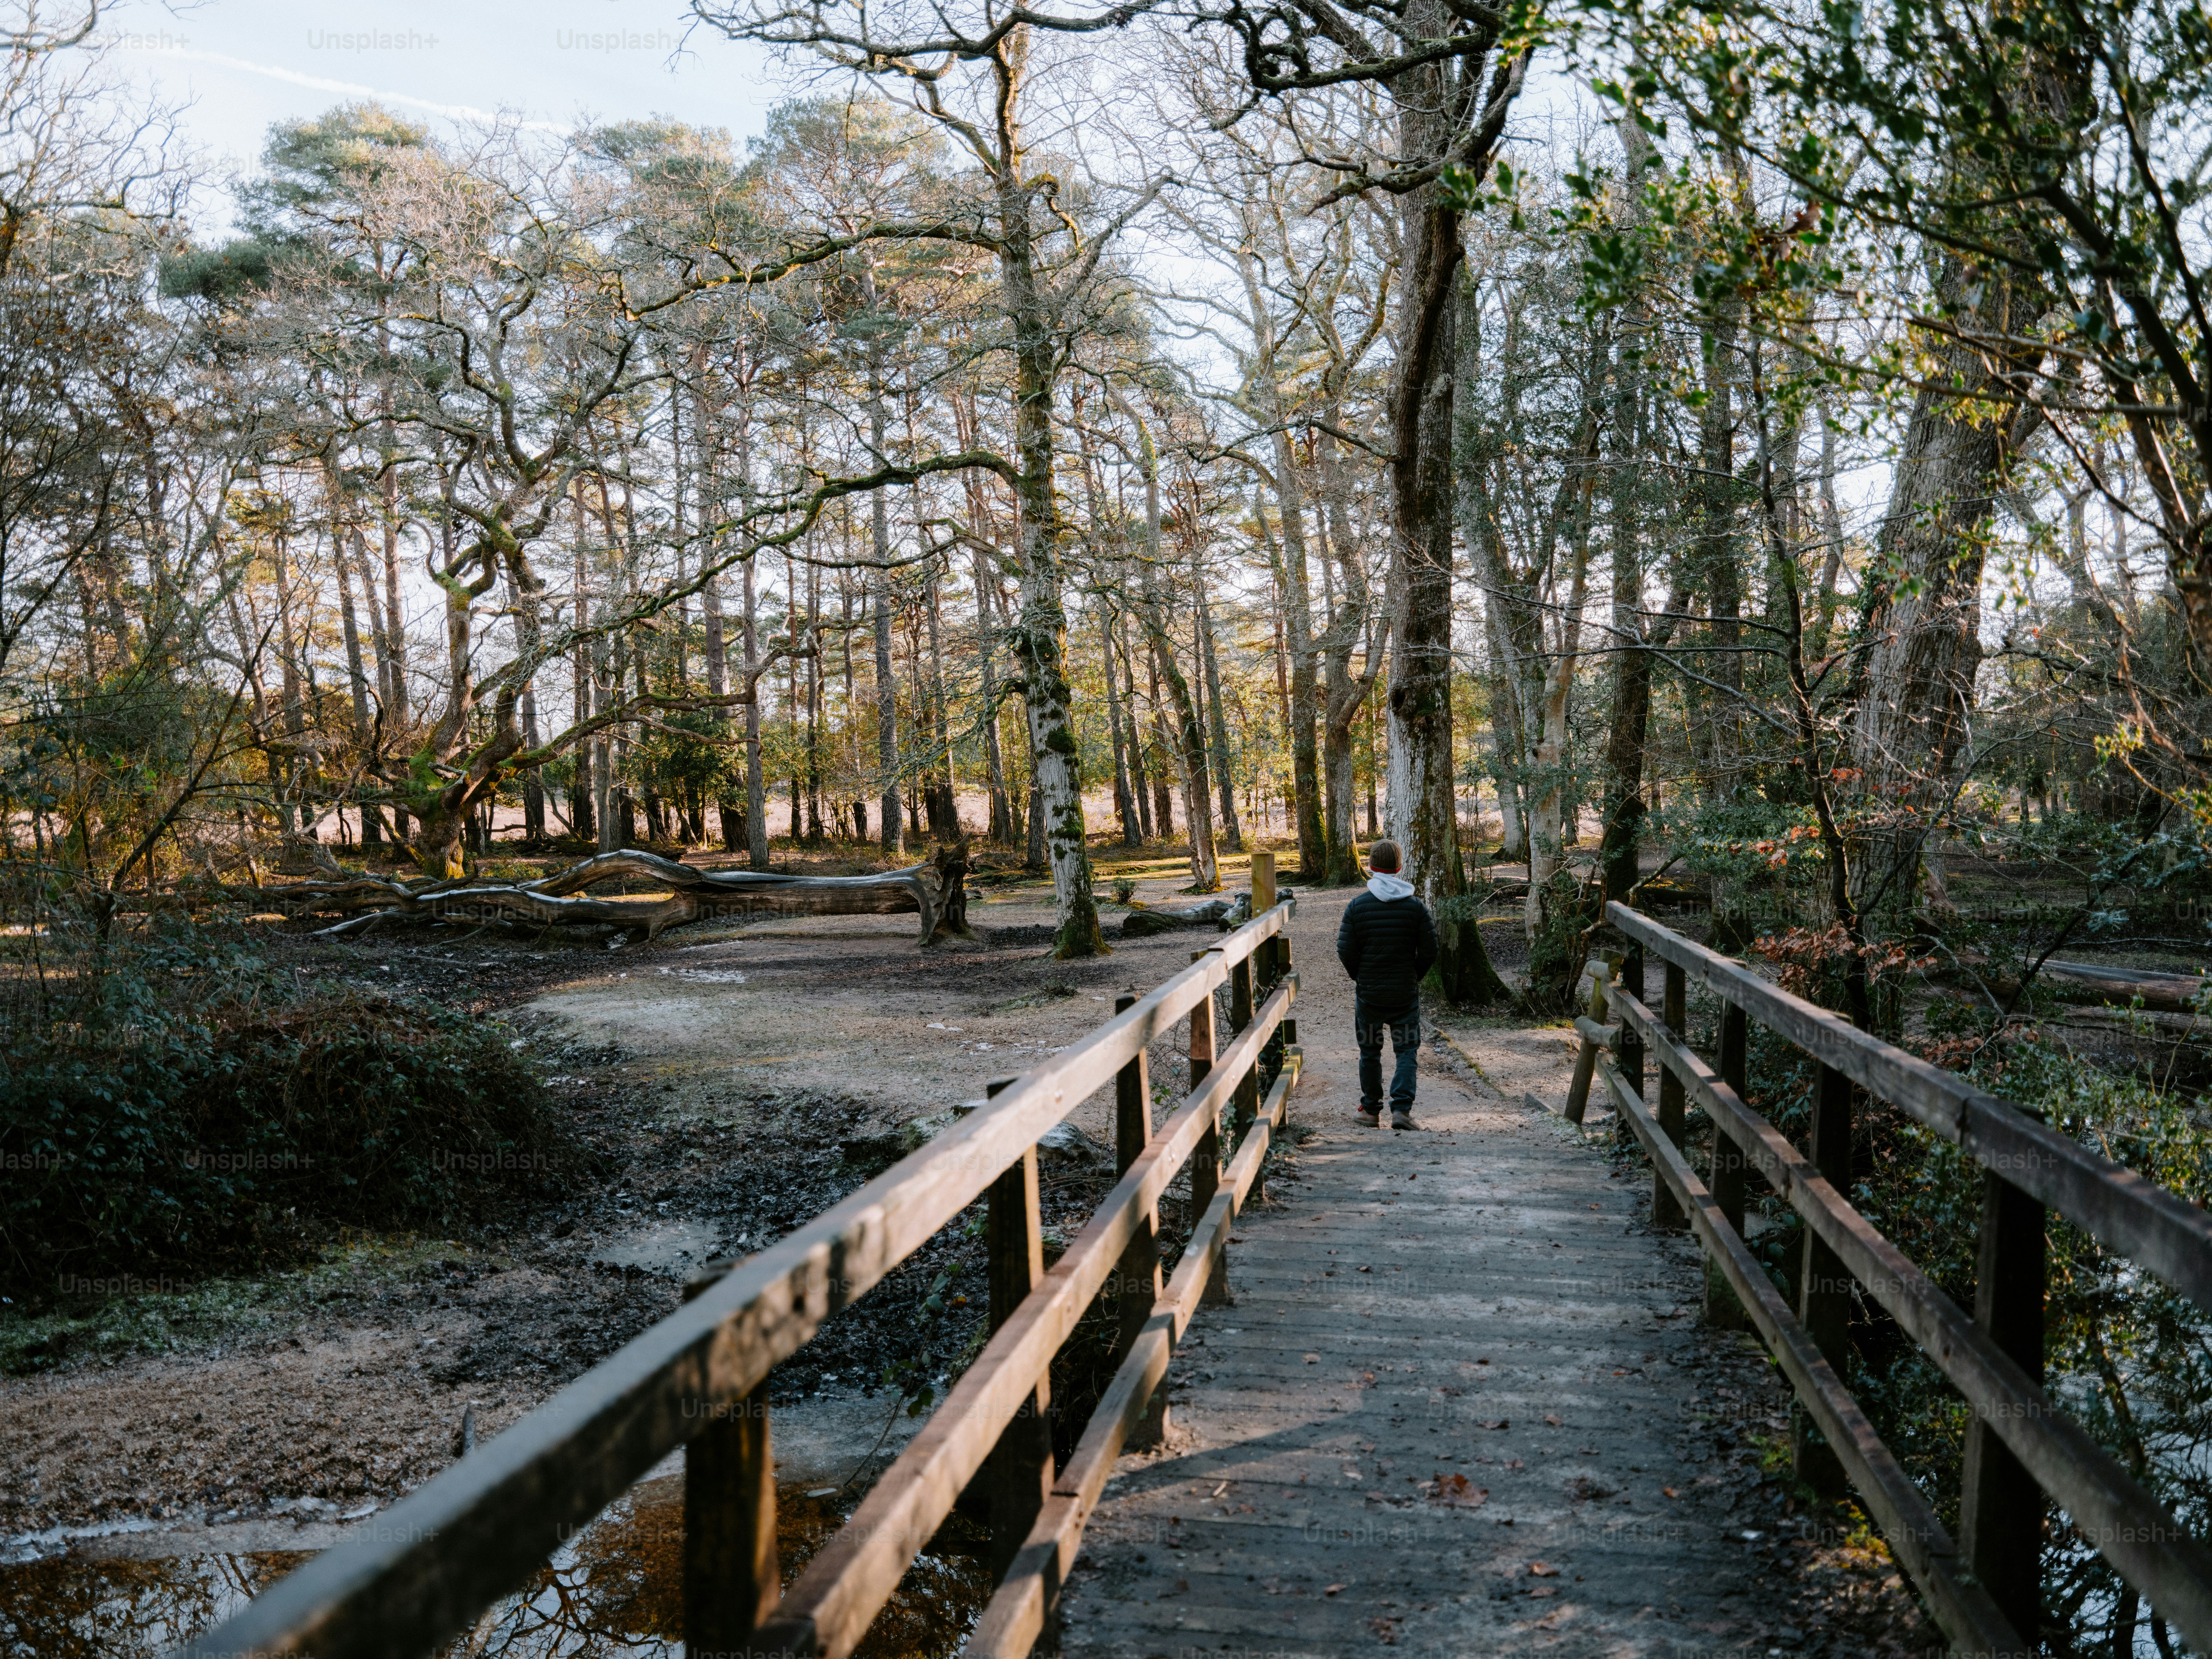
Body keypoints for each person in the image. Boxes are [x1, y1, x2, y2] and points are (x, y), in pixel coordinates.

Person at [1334, 839, 1437, 1129]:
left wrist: (1361, 977)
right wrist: (1413, 976)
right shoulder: (1416, 907)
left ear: (1370, 867)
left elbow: (1345, 950)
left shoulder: (1357, 907)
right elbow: (1431, 950)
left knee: (1370, 1051)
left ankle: (1370, 1111)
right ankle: (1402, 1111)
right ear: (1399, 868)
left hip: (1369, 996)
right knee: (1406, 1051)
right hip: (1405, 994)